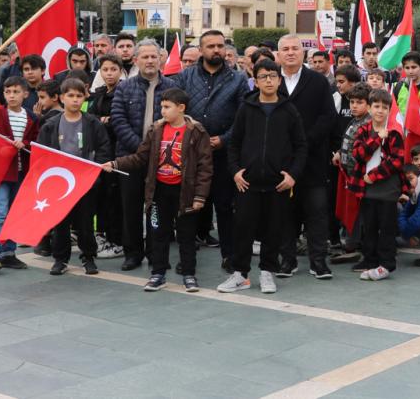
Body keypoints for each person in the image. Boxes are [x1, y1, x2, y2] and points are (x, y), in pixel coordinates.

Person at [108, 88, 213, 292]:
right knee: (158, 233)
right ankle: (158, 273)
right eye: (161, 106)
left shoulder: (197, 132)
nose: (162, 111)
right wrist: (115, 164)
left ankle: (189, 274)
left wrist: (200, 195)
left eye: (167, 107)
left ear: (181, 108)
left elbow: (205, 167)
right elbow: (140, 157)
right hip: (159, 192)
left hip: (186, 194)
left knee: (186, 235)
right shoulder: (155, 130)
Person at [217, 59, 307, 294]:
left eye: (273, 76)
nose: (268, 80)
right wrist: (235, 170)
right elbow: (234, 144)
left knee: (273, 230)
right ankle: (240, 274)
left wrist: (293, 176)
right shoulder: (246, 108)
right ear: (255, 81)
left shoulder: (289, 110)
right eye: (263, 76)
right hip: (248, 183)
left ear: (279, 80)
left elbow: (301, 146)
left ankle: (268, 272)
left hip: (278, 184)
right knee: (243, 228)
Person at [173, 31, 249, 272]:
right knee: (187, 207)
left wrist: (224, 140)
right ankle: (186, 259)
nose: (216, 50)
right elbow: (175, 110)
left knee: (225, 207)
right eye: (211, 46)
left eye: (220, 46)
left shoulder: (238, 79)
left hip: (223, 154)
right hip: (191, 153)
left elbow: (243, 117)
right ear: (201, 49)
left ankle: (230, 256)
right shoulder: (185, 77)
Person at [110, 40, 179, 271]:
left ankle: (156, 253)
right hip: (130, 158)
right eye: (145, 57)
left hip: (163, 160)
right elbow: (118, 121)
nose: (150, 61)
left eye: (154, 56)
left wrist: (155, 152)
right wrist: (143, 150)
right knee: (130, 208)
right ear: (136, 60)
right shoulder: (124, 87)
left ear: (161, 59)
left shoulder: (172, 87)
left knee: (157, 210)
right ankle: (133, 253)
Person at [275, 34, 337, 279]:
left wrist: (304, 143)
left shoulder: (318, 81)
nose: (290, 53)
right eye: (285, 49)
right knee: (285, 215)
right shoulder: (270, 81)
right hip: (281, 163)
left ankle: (318, 262)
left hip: (313, 161)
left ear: (304, 53)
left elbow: (327, 117)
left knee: (317, 214)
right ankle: (287, 261)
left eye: (295, 49)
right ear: (278, 54)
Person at [41, 78, 112, 276]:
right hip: (60, 182)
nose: (74, 100)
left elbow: (103, 148)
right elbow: (43, 153)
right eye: (70, 96)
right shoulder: (51, 124)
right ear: (61, 98)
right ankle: (60, 259)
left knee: (85, 222)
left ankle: (88, 257)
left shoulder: (92, 123)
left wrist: (96, 171)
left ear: (85, 97)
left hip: (85, 182)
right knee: (60, 222)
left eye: (79, 96)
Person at [347, 88, 406, 281]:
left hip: (387, 189)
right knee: (369, 226)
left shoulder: (395, 133)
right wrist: (376, 139)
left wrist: (374, 175)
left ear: (389, 110)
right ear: (370, 108)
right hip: (366, 190)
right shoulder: (363, 131)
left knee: (387, 228)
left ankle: (386, 264)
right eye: (376, 106)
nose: (380, 110)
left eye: (384, 107)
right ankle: (370, 259)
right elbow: (358, 154)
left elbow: (396, 161)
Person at [0, 76, 39, 273]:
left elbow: (36, 141)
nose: (11, 96)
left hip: (22, 173)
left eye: (16, 92)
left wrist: (26, 144)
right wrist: (2, 144)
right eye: (8, 92)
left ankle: (9, 253)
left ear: (25, 94)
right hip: (1, 172)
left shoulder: (31, 117)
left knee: (15, 214)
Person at [331, 82, 372, 265]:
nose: (354, 106)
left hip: (360, 178)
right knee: (351, 212)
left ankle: (356, 247)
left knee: (359, 214)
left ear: (368, 104)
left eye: (359, 102)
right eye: (352, 102)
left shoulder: (369, 124)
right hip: (349, 175)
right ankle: (352, 245)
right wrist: (340, 153)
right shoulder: (355, 120)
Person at [88, 55, 124, 259]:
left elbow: (118, 120)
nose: (109, 73)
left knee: (114, 199)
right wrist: (100, 120)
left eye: (113, 69)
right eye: (105, 69)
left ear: (120, 71)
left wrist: (105, 121)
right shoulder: (98, 94)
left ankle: (117, 240)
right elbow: (89, 117)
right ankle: (103, 236)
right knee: (102, 198)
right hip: (99, 153)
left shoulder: (124, 92)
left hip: (116, 153)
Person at [393, 51, 420, 131]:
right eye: (407, 68)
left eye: (414, 67)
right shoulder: (398, 87)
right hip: (405, 134)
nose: (410, 71)